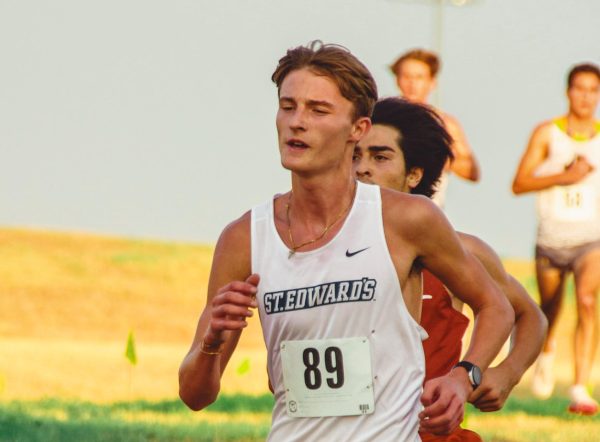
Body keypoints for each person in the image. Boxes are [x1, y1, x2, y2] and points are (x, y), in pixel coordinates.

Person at [179, 41, 514, 441]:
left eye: (318, 110)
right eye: (288, 107)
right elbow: (195, 395)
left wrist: (464, 377)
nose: (296, 122)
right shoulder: (245, 236)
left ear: (359, 129)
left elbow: (496, 306)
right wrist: (212, 342)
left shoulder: (406, 219)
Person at [353, 97, 547, 441]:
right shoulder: (316, 250)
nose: (362, 168)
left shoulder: (460, 250)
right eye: (354, 155)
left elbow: (530, 315)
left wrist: (506, 373)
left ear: (415, 174)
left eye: (380, 157)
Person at [512, 62, 600, 415]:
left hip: (591, 238)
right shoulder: (547, 133)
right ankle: (545, 352)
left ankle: (581, 387)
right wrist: (563, 178)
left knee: (587, 300)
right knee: (549, 308)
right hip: (551, 238)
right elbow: (519, 183)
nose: (586, 96)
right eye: (580, 88)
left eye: (593, 90)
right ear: (568, 92)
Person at [390, 49, 480, 207]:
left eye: (419, 77)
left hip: (428, 210)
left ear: (432, 82)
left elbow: (471, 171)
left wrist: (436, 155)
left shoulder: (445, 124)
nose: (412, 83)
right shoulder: (383, 118)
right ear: (397, 80)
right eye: (406, 76)